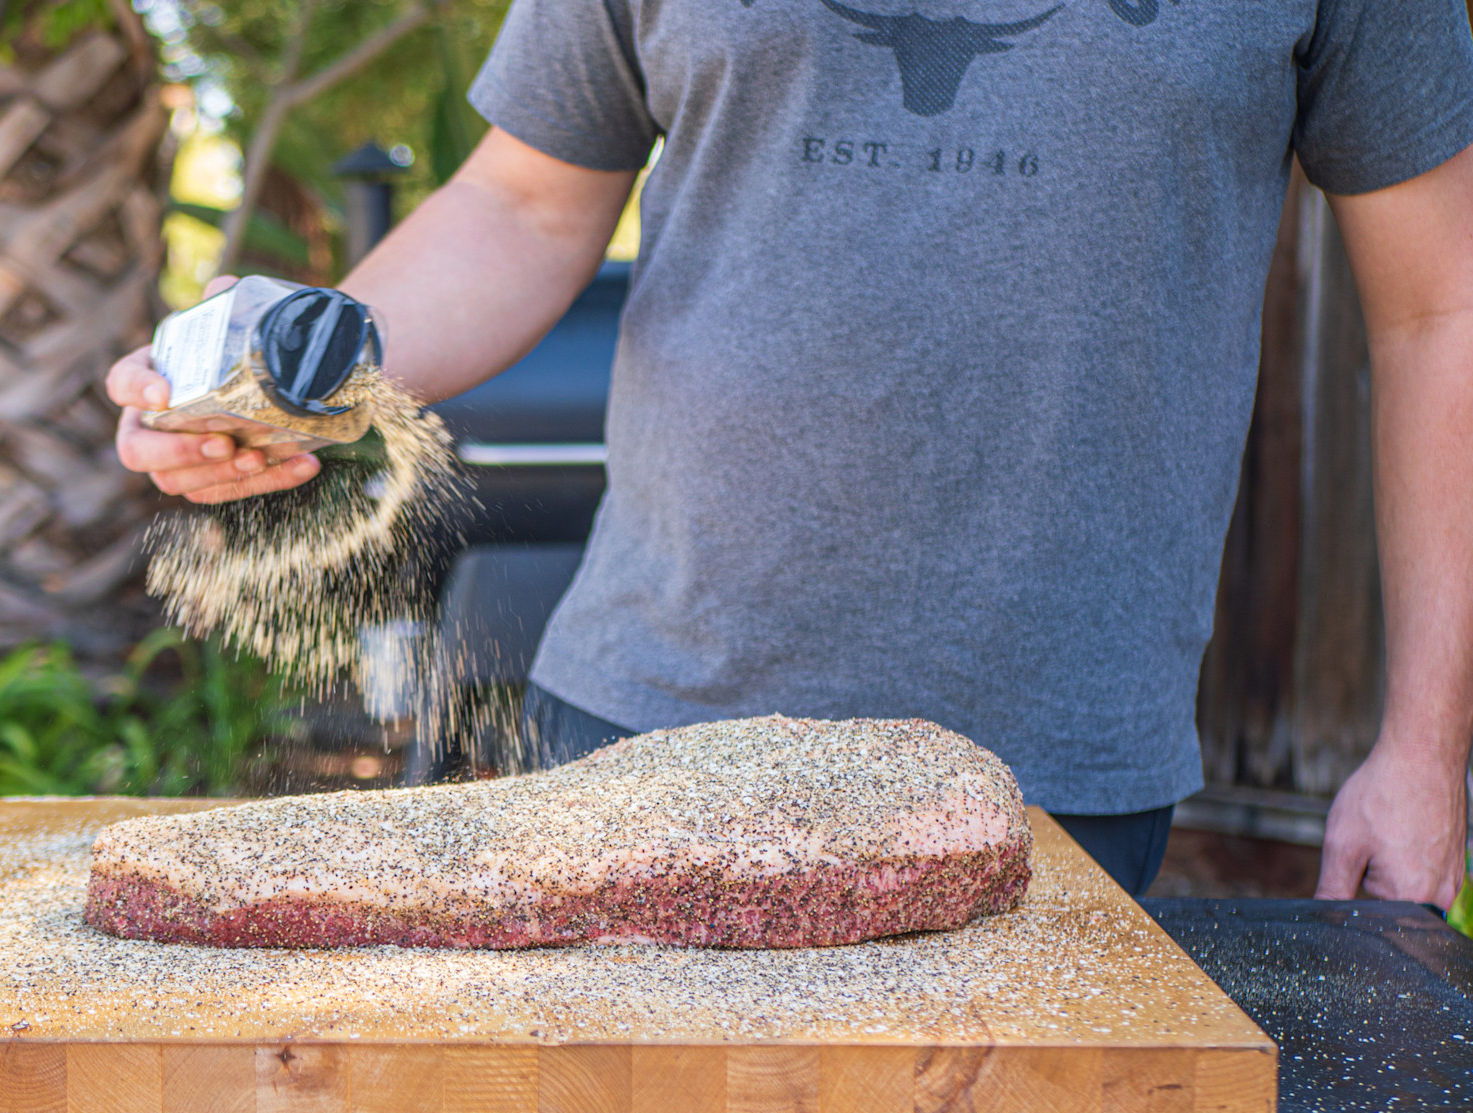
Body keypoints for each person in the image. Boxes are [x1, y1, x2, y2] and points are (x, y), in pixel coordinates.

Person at [109, 0, 1473, 902]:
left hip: (1055, 775)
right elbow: (523, 204)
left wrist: (1426, 747)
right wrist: (296, 373)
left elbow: (1439, 308)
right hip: (638, 731)